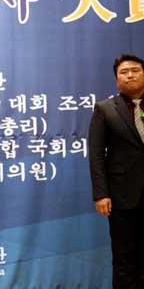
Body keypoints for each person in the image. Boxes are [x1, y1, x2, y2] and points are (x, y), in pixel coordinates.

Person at [88, 53, 144, 288]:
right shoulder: (105, 109)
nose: (130, 75)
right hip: (123, 196)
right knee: (125, 257)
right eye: (124, 72)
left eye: (135, 70)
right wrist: (101, 194)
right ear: (116, 79)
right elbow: (96, 154)